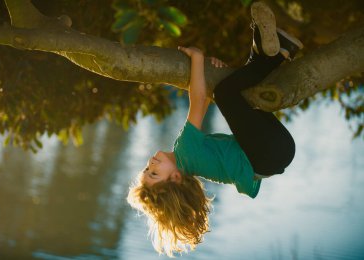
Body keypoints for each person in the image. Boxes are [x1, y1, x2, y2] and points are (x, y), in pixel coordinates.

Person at [127, 2, 303, 257]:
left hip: (274, 154)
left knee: (237, 92)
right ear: (175, 178)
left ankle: (262, 52)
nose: (150, 163)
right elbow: (200, 99)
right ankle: (278, 54)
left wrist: (211, 72)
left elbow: (208, 97)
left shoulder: (190, 159)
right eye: (154, 173)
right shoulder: (186, 153)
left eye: (146, 170)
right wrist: (197, 58)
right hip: (267, 153)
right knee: (225, 93)